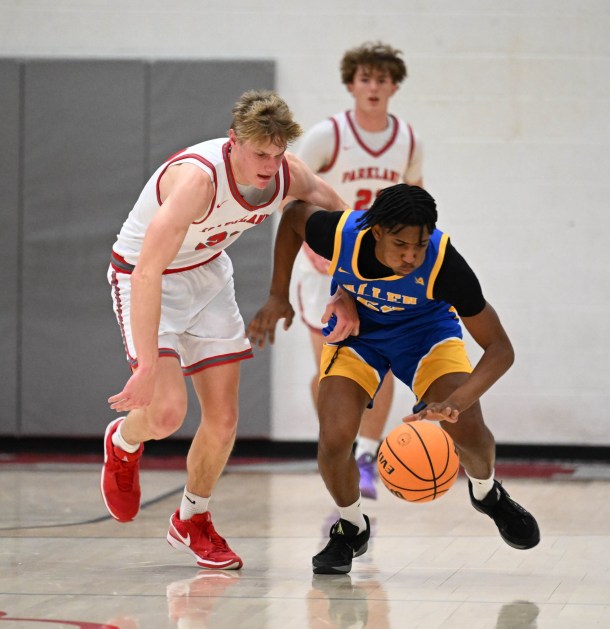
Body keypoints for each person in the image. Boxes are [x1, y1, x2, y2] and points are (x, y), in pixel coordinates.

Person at [101, 90, 348, 571]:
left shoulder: (287, 173)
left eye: (277, 155)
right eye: (260, 153)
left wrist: (344, 276)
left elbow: (345, 220)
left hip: (208, 275)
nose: (269, 165)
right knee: (167, 413)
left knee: (224, 419)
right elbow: (148, 271)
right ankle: (123, 442)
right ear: (234, 142)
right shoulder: (198, 180)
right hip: (146, 278)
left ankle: (192, 518)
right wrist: (148, 365)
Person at [248, 184, 540, 574]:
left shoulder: (444, 264)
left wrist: (457, 401)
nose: (410, 256)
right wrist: (276, 294)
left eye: (419, 245)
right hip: (360, 334)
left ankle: (486, 493)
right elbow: (293, 218)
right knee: (334, 438)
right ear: (377, 231)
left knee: (468, 429)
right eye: (401, 244)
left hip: (426, 334)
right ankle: (351, 528)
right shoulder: (342, 234)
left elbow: (501, 348)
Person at [293, 42, 424, 500]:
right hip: (323, 267)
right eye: (365, 78)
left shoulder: (407, 140)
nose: (374, 87)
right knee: (334, 370)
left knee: (381, 369)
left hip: (378, 271)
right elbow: (292, 196)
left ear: (394, 86)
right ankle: (340, 443)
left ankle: (366, 454)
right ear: (351, 84)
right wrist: (315, 251)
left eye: (382, 79)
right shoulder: (326, 136)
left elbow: (416, 204)